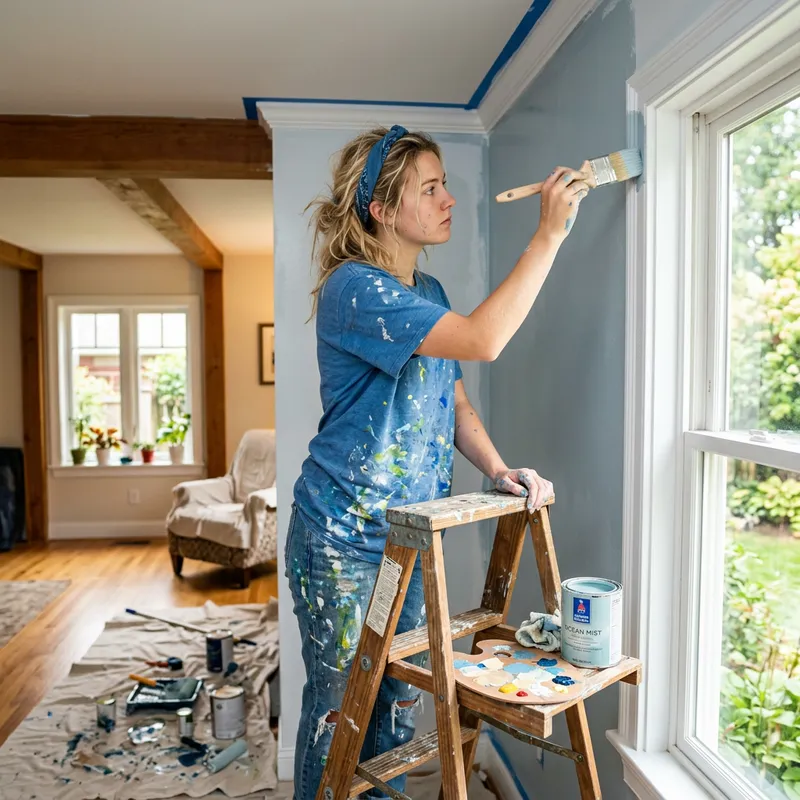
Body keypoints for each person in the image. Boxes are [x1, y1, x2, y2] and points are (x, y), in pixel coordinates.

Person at [285, 125, 588, 799]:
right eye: (430, 188)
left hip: (407, 542)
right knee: (342, 719)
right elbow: (483, 341)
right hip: (340, 544)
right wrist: (549, 234)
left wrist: (499, 471)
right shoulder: (352, 289)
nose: (449, 198)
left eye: (444, 182)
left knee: (394, 707)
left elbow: (451, 400)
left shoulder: (430, 289)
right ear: (382, 210)